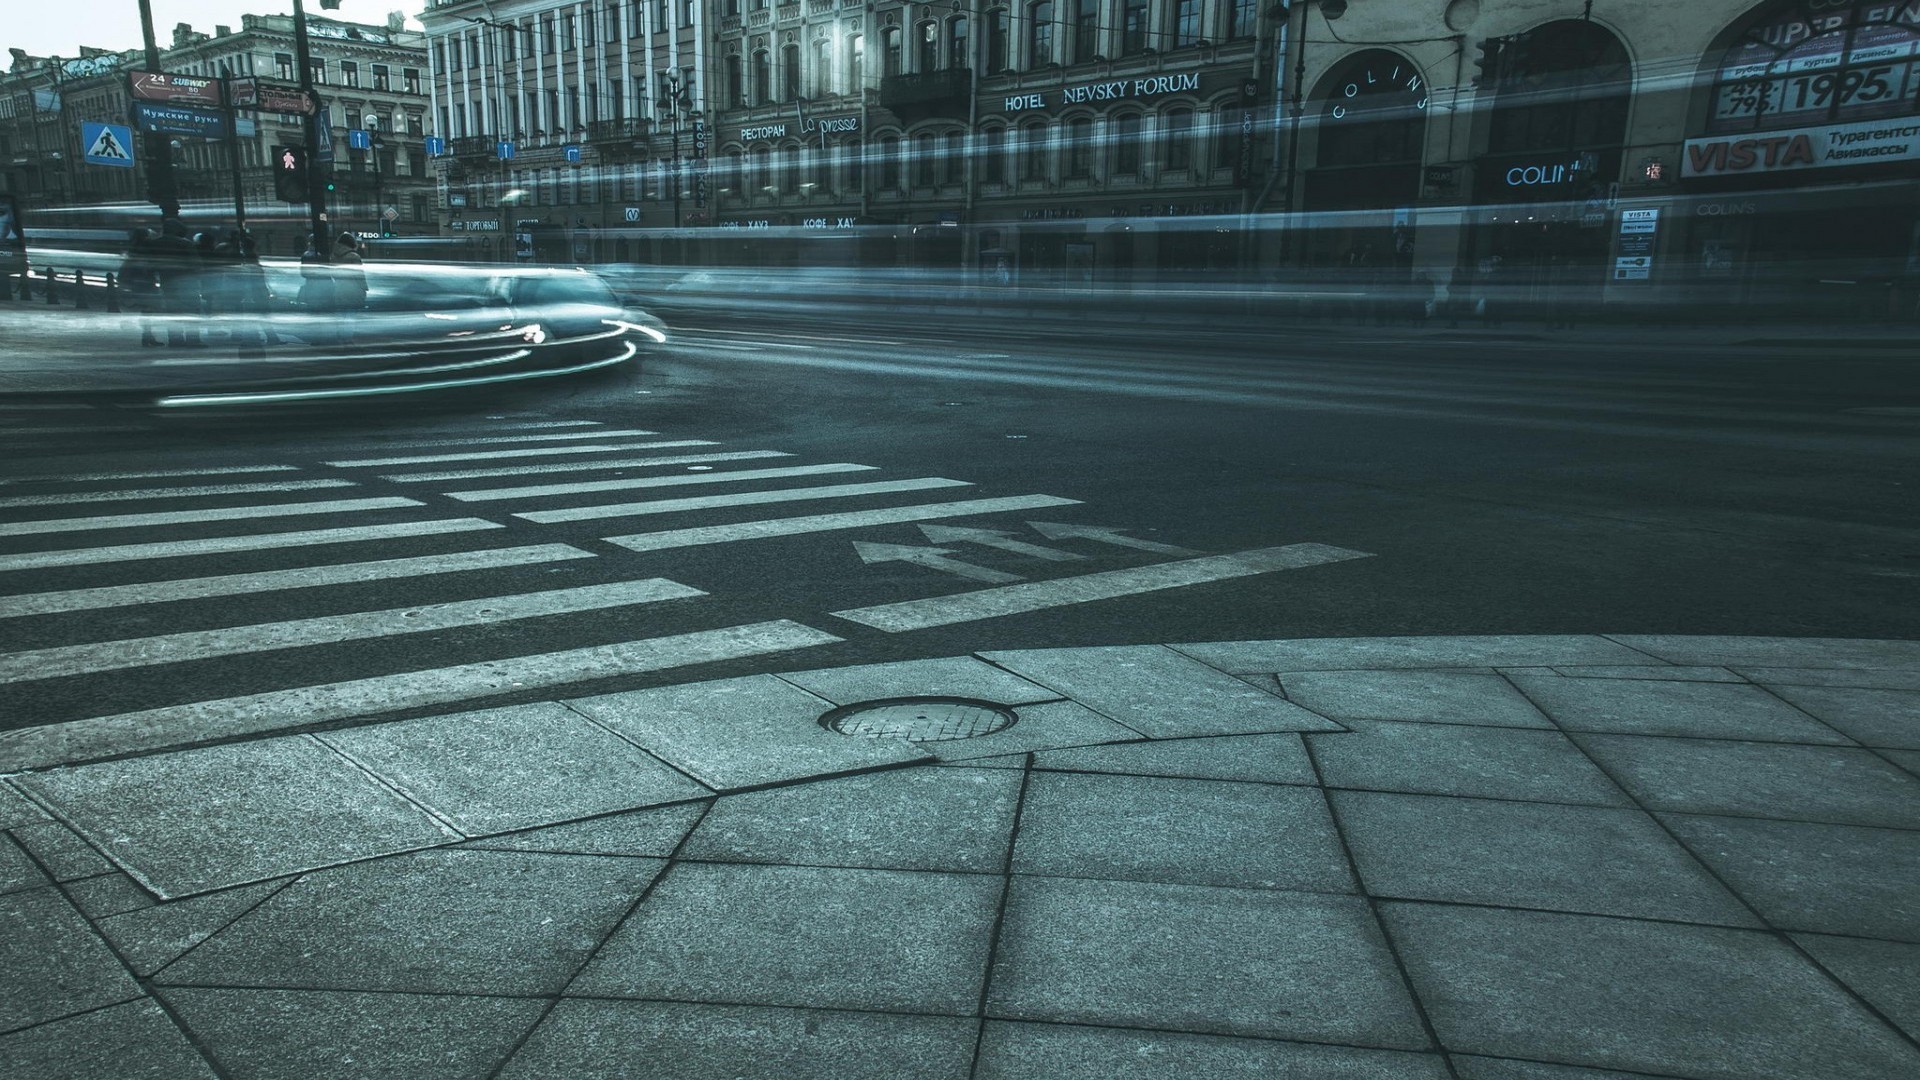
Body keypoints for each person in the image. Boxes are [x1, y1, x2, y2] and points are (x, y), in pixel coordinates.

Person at [331, 232, 367, 312]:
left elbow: (333, 273)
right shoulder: (354, 256)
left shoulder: (333, 256)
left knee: (341, 313)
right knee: (353, 313)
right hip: (354, 289)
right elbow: (359, 275)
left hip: (339, 288)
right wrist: (364, 288)